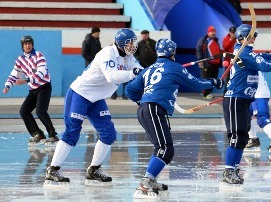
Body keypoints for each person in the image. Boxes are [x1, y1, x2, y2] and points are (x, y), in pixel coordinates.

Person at [125, 38, 224, 198]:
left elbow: (130, 90)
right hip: (154, 109)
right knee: (165, 149)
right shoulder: (175, 68)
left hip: (146, 110)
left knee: (160, 148)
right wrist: (214, 82)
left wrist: (143, 100)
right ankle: (144, 185)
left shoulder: (148, 69)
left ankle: (150, 180)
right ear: (173, 53)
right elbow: (197, 84)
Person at [44, 29, 143, 186]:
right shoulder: (107, 53)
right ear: (120, 43)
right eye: (129, 42)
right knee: (72, 131)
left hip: (97, 98)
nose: (132, 46)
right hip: (80, 93)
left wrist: (147, 75)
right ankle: (52, 170)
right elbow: (112, 76)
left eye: (133, 42)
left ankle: (93, 170)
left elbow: (139, 72)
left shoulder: (129, 58)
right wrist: (133, 73)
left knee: (109, 134)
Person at [221, 24, 271, 187]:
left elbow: (261, 57)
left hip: (243, 99)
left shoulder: (246, 52)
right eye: (252, 35)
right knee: (236, 138)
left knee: (242, 138)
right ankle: (229, 171)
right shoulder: (244, 52)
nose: (254, 38)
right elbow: (262, 64)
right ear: (244, 37)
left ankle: (233, 169)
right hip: (236, 99)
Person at [2, 35, 58, 145]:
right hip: (33, 90)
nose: (28, 45)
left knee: (40, 111)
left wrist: (26, 80)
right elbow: (14, 74)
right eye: (25, 44)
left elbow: (41, 73)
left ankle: (53, 135)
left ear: (32, 44)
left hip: (44, 87)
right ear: (22, 46)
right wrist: (8, 85)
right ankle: (37, 133)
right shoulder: (20, 59)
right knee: (24, 111)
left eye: (29, 43)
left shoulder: (39, 55)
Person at [244, 71, 271, 152]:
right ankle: (253, 139)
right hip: (251, 93)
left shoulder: (246, 60)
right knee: (245, 115)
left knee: (262, 117)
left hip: (259, 93)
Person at [196, 25, 222, 99]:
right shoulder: (202, 40)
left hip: (215, 64)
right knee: (205, 78)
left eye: (214, 32)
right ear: (208, 32)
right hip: (206, 63)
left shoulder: (216, 41)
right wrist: (200, 60)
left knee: (213, 79)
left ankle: (209, 93)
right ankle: (205, 94)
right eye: (212, 32)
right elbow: (198, 50)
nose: (214, 33)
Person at [222, 26, 237, 94]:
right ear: (229, 32)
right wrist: (231, 39)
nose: (233, 34)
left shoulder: (238, 39)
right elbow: (225, 47)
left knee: (235, 76)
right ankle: (225, 91)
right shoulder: (226, 38)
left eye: (234, 32)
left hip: (236, 61)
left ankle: (234, 91)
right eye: (232, 33)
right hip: (228, 61)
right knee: (227, 77)